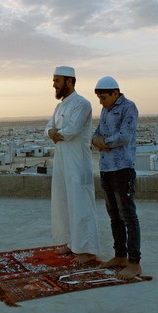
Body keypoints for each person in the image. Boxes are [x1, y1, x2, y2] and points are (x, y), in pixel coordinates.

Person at [45, 65, 101, 265]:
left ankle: (88, 249)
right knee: (64, 201)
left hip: (78, 162)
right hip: (62, 160)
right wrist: (51, 132)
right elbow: (48, 128)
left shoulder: (82, 104)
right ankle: (72, 243)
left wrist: (55, 133)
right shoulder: (60, 106)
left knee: (81, 203)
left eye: (57, 81)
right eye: (54, 81)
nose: (54, 85)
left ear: (70, 81)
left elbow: (70, 131)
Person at [91, 76, 142, 280]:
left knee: (128, 216)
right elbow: (95, 134)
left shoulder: (129, 107)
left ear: (115, 93)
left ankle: (134, 262)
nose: (100, 101)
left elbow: (125, 135)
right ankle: (120, 255)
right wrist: (98, 141)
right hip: (106, 168)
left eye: (103, 97)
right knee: (114, 215)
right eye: (99, 98)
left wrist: (104, 143)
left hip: (122, 168)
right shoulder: (105, 110)